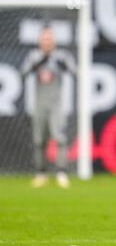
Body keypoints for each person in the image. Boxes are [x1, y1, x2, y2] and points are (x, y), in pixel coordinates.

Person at [21, 27, 76, 189]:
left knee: (59, 137)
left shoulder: (61, 56)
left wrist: (62, 64)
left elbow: (73, 71)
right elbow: (23, 73)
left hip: (56, 104)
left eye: (49, 38)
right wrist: (39, 62)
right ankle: (41, 173)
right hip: (39, 103)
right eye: (44, 38)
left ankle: (61, 173)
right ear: (40, 41)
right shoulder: (34, 56)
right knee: (39, 140)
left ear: (53, 41)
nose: (47, 41)